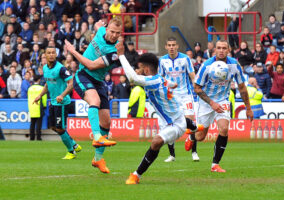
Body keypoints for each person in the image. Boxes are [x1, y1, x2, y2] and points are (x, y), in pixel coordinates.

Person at [114, 44, 201, 185]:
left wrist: (121, 55)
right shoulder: (160, 78)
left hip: (175, 125)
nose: (138, 70)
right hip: (174, 118)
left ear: (146, 69)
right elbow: (172, 84)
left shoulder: (154, 80)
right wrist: (171, 86)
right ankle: (195, 128)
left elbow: (132, 78)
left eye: (140, 68)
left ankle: (136, 175)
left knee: (156, 142)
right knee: (178, 125)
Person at [64, 18, 123, 173]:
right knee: (94, 100)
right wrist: (98, 24)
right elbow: (98, 26)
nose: (114, 35)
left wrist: (73, 51)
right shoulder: (102, 30)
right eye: (112, 31)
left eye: (117, 33)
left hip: (97, 80)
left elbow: (91, 64)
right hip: (82, 75)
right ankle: (96, 136)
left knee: (107, 122)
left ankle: (98, 159)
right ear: (107, 28)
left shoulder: (113, 54)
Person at [185, 40, 253, 173]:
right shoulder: (207, 66)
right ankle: (192, 137)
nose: (221, 50)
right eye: (219, 48)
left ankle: (215, 164)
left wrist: (248, 108)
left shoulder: (234, 65)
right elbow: (197, 88)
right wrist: (211, 103)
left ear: (228, 50)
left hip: (223, 100)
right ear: (214, 50)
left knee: (224, 129)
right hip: (206, 102)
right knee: (200, 136)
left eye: (224, 48)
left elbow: (242, 87)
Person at [33, 46, 82, 159]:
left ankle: (71, 152)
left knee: (60, 128)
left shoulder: (61, 69)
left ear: (56, 55)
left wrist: (62, 95)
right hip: (53, 102)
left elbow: (71, 83)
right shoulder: (45, 68)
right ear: (45, 55)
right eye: (48, 53)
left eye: (53, 53)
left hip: (62, 103)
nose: (51, 55)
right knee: (53, 127)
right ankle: (74, 144)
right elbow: (47, 84)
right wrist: (40, 95)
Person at [159, 37, 200, 162]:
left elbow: (192, 76)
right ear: (166, 47)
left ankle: (194, 152)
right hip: (171, 96)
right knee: (169, 123)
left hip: (185, 94)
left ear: (177, 46)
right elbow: (160, 78)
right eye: (169, 45)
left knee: (190, 120)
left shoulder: (185, 59)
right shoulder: (162, 61)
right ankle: (172, 155)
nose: (171, 47)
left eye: (173, 45)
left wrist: (197, 89)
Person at [28, 75, 47, 140]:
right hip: (39, 107)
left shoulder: (30, 88)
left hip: (32, 107)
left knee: (32, 123)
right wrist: (44, 105)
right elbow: (44, 98)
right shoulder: (41, 88)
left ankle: (31, 137)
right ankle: (38, 137)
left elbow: (28, 98)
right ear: (39, 80)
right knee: (39, 123)